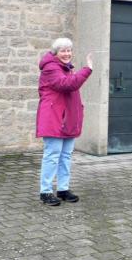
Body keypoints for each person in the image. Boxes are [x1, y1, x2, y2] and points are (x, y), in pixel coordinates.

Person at [35, 38, 93, 206]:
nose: (67, 54)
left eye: (69, 50)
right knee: (52, 156)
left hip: (67, 118)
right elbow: (66, 85)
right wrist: (87, 69)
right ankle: (45, 192)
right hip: (54, 118)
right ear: (55, 53)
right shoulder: (50, 68)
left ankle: (63, 189)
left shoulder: (65, 68)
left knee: (66, 155)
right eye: (63, 51)